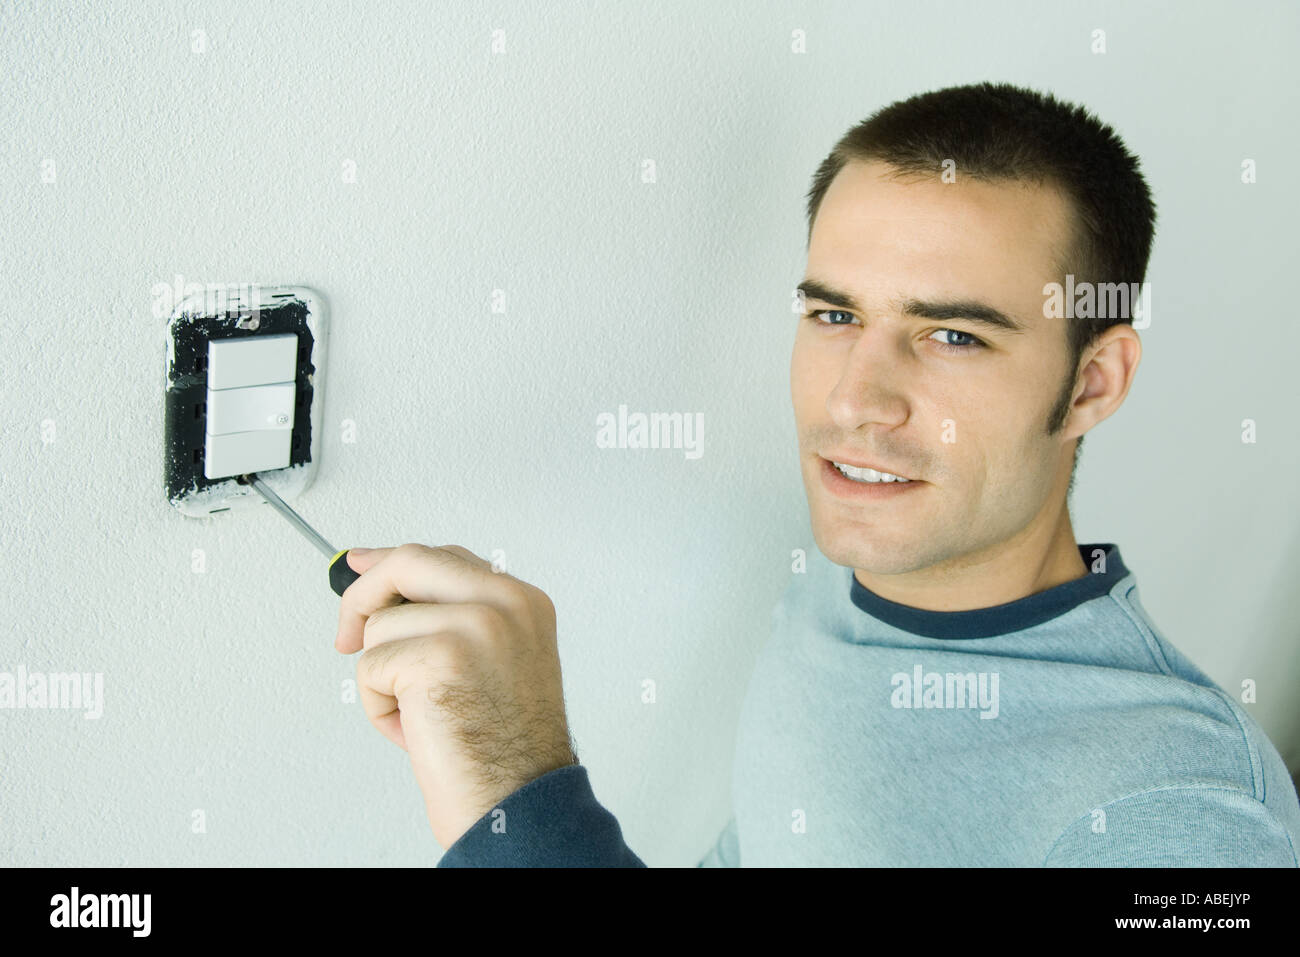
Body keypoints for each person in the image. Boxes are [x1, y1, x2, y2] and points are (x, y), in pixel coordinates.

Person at [335, 82, 1300, 867]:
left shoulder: (1182, 817)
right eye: (834, 316)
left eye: (952, 334)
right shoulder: (847, 580)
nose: (854, 403)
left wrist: (520, 796)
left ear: (1092, 382)